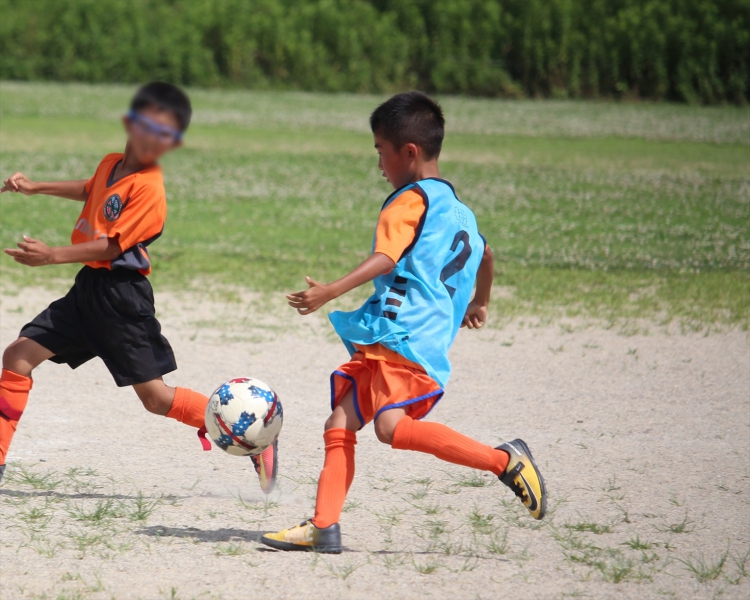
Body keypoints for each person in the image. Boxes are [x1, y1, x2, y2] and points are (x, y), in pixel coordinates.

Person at [261, 92, 546, 554]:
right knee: (340, 422)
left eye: (381, 151)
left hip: (402, 335)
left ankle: (503, 461)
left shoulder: (408, 201)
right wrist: (480, 301)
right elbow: (486, 254)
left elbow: (386, 257)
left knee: (390, 428)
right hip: (403, 337)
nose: (379, 164)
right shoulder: (459, 210)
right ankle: (324, 526)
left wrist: (331, 290)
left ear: (408, 152)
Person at [0, 82, 277, 492]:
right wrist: (36, 186)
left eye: (167, 135)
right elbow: (92, 188)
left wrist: (52, 254)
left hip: (122, 300)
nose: (156, 140)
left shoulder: (149, 187)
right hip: (87, 291)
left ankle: (251, 438)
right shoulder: (112, 163)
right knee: (18, 355)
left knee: (156, 399)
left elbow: (112, 247)